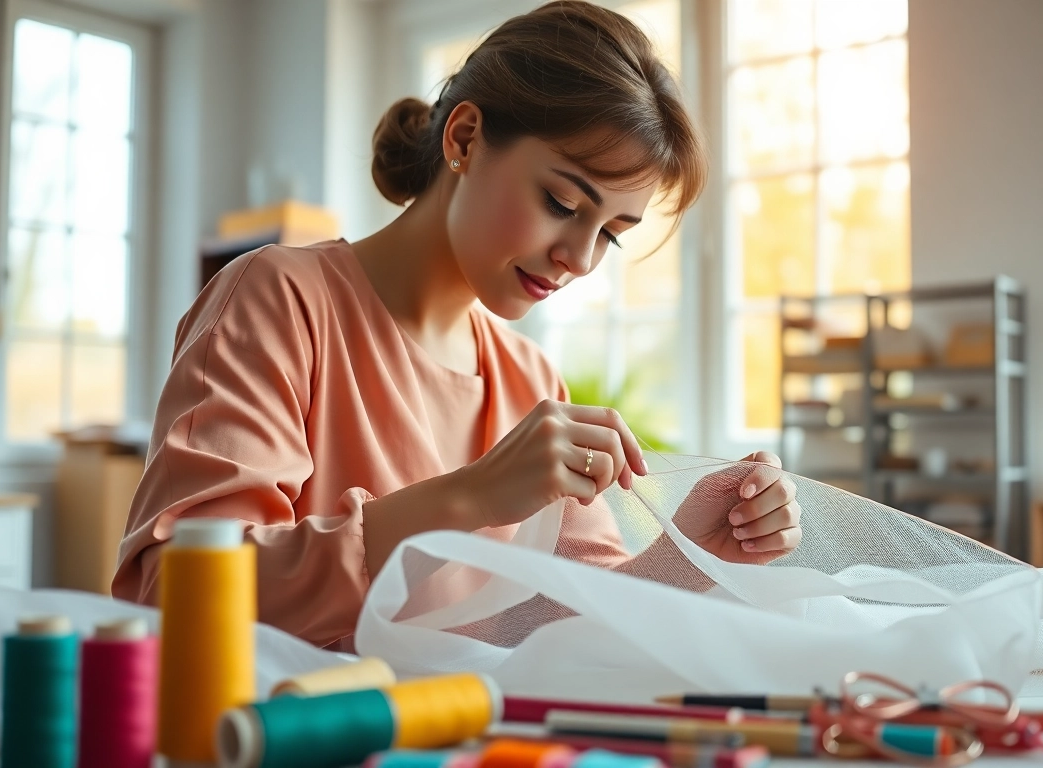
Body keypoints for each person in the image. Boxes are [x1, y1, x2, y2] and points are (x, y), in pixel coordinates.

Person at [114, 0, 801, 651]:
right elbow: (174, 590)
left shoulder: (533, 381)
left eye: (611, 235)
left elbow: (578, 628)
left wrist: (698, 552)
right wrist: (470, 495)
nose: (581, 258)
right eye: (562, 201)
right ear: (465, 138)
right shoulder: (278, 300)